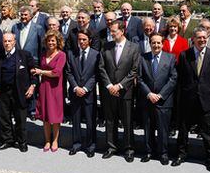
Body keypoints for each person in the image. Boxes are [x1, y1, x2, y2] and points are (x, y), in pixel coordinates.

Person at [172, 27, 210, 172]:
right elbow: (180, 78)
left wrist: (208, 92)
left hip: (206, 100)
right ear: (193, 39)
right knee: (183, 129)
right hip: (188, 99)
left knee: (207, 131)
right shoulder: (184, 55)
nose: (202, 40)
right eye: (199, 37)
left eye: (204, 37)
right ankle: (181, 154)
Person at [99, 20, 140, 163]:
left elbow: (134, 70)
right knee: (110, 120)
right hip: (109, 91)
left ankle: (129, 149)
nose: (111, 33)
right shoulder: (106, 47)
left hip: (125, 91)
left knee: (127, 121)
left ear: (122, 31)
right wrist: (110, 86)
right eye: (110, 31)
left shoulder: (134, 47)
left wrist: (120, 86)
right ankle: (111, 147)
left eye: (114, 31)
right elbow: (101, 67)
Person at [0, 33, 37, 153]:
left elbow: (33, 73)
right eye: (5, 41)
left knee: (20, 119)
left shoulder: (24, 55)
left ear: (14, 42)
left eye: (9, 41)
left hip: (19, 91)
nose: (7, 43)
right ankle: (8, 140)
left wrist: (32, 86)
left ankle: (22, 141)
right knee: (4, 118)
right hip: (3, 92)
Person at [138, 33, 177, 165]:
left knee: (162, 129)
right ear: (150, 43)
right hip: (147, 99)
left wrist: (161, 95)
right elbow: (139, 78)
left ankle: (163, 153)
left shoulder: (170, 58)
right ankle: (149, 151)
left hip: (163, 100)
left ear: (163, 44)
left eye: (158, 43)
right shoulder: (143, 58)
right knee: (148, 128)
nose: (156, 45)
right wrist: (149, 94)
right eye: (153, 43)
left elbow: (173, 79)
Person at [66, 29, 100, 158]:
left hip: (89, 93)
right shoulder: (71, 54)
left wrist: (85, 88)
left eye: (84, 39)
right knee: (76, 119)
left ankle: (91, 146)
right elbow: (68, 72)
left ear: (89, 40)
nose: (81, 42)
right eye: (79, 39)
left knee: (90, 120)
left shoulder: (96, 54)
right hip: (75, 92)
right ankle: (76, 144)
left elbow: (96, 74)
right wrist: (75, 87)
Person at [32, 30, 66, 152]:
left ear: (58, 42)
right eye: (48, 40)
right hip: (44, 87)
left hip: (55, 88)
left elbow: (56, 73)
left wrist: (41, 72)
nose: (51, 43)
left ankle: (55, 140)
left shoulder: (62, 55)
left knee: (55, 116)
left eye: (53, 40)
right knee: (45, 116)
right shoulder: (43, 53)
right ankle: (47, 140)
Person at [12, 6, 45, 120]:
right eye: (21, 15)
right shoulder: (15, 27)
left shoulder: (39, 28)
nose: (23, 17)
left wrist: (40, 63)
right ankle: (21, 108)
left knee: (33, 85)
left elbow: (42, 47)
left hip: (33, 61)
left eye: (25, 15)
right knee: (19, 84)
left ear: (31, 16)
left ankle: (32, 110)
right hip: (18, 60)